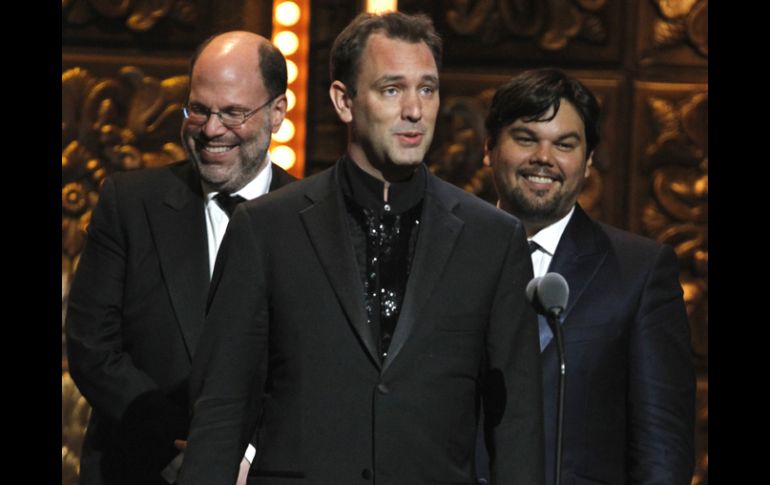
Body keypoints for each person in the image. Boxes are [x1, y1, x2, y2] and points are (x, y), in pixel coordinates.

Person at [179, 12, 544, 485]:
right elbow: (222, 412)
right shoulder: (268, 229)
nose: (414, 110)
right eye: (392, 89)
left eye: (427, 89)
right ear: (344, 101)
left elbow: (516, 424)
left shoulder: (491, 238)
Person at [65, 31, 295, 485]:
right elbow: (93, 346)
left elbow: (318, 368)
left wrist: (245, 454)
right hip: (141, 467)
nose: (211, 129)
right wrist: (182, 448)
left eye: (232, 113)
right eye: (199, 110)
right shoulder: (130, 204)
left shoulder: (312, 218)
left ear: (277, 113)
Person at [479, 67, 695, 484]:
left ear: (589, 160)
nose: (544, 157)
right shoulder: (447, 256)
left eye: (565, 144)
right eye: (526, 138)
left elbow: (662, 452)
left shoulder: (640, 271)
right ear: (489, 147)